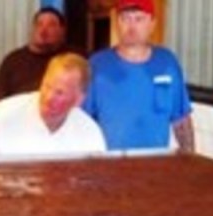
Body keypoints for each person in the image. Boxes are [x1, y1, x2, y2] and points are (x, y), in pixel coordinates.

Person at [83, 0, 195, 152]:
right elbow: (82, 120)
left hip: (156, 162)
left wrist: (190, 160)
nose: (131, 26)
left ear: (152, 24)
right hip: (109, 162)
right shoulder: (96, 65)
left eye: (139, 19)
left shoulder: (167, 63)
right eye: (125, 18)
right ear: (117, 23)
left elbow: (181, 120)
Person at [0, 52, 106, 157]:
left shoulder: (89, 132)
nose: (48, 97)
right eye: (47, 86)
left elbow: (96, 184)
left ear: (78, 99)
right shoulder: (3, 113)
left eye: (59, 93)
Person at [0, 7, 76, 103]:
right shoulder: (13, 60)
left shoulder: (72, 59)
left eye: (51, 25)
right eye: (39, 24)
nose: (43, 30)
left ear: (62, 31)